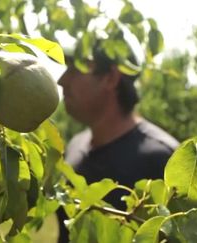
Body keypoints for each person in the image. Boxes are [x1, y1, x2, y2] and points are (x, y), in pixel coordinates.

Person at [56, 38, 180, 243]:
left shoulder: (162, 159)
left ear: (111, 78)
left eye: (76, 69)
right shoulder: (75, 146)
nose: (61, 80)